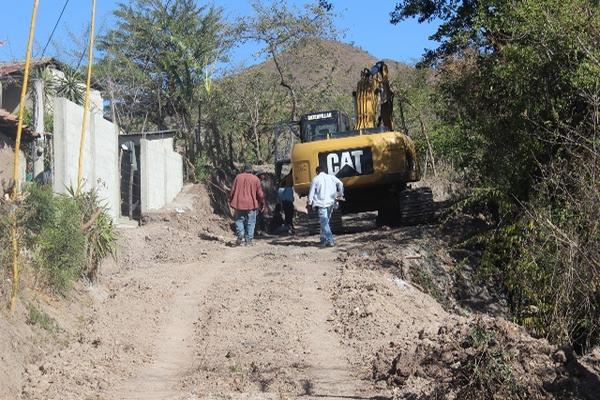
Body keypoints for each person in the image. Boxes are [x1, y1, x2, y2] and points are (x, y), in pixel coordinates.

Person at [307, 166, 344, 247]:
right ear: (325, 171)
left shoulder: (316, 179)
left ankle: (330, 240)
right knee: (326, 221)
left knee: (324, 222)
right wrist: (340, 194)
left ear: (317, 172)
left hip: (321, 204)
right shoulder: (331, 177)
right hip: (331, 202)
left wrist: (309, 203)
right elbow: (340, 183)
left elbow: (312, 192)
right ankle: (323, 237)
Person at [229, 164, 265, 246]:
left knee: (239, 219)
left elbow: (232, 191)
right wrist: (262, 202)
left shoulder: (238, 177)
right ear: (251, 170)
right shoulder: (256, 179)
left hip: (239, 203)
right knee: (251, 222)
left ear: (244, 170)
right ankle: (248, 241)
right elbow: (260, 194)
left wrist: (230, 200)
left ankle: (241, 233)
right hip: (251, 204)